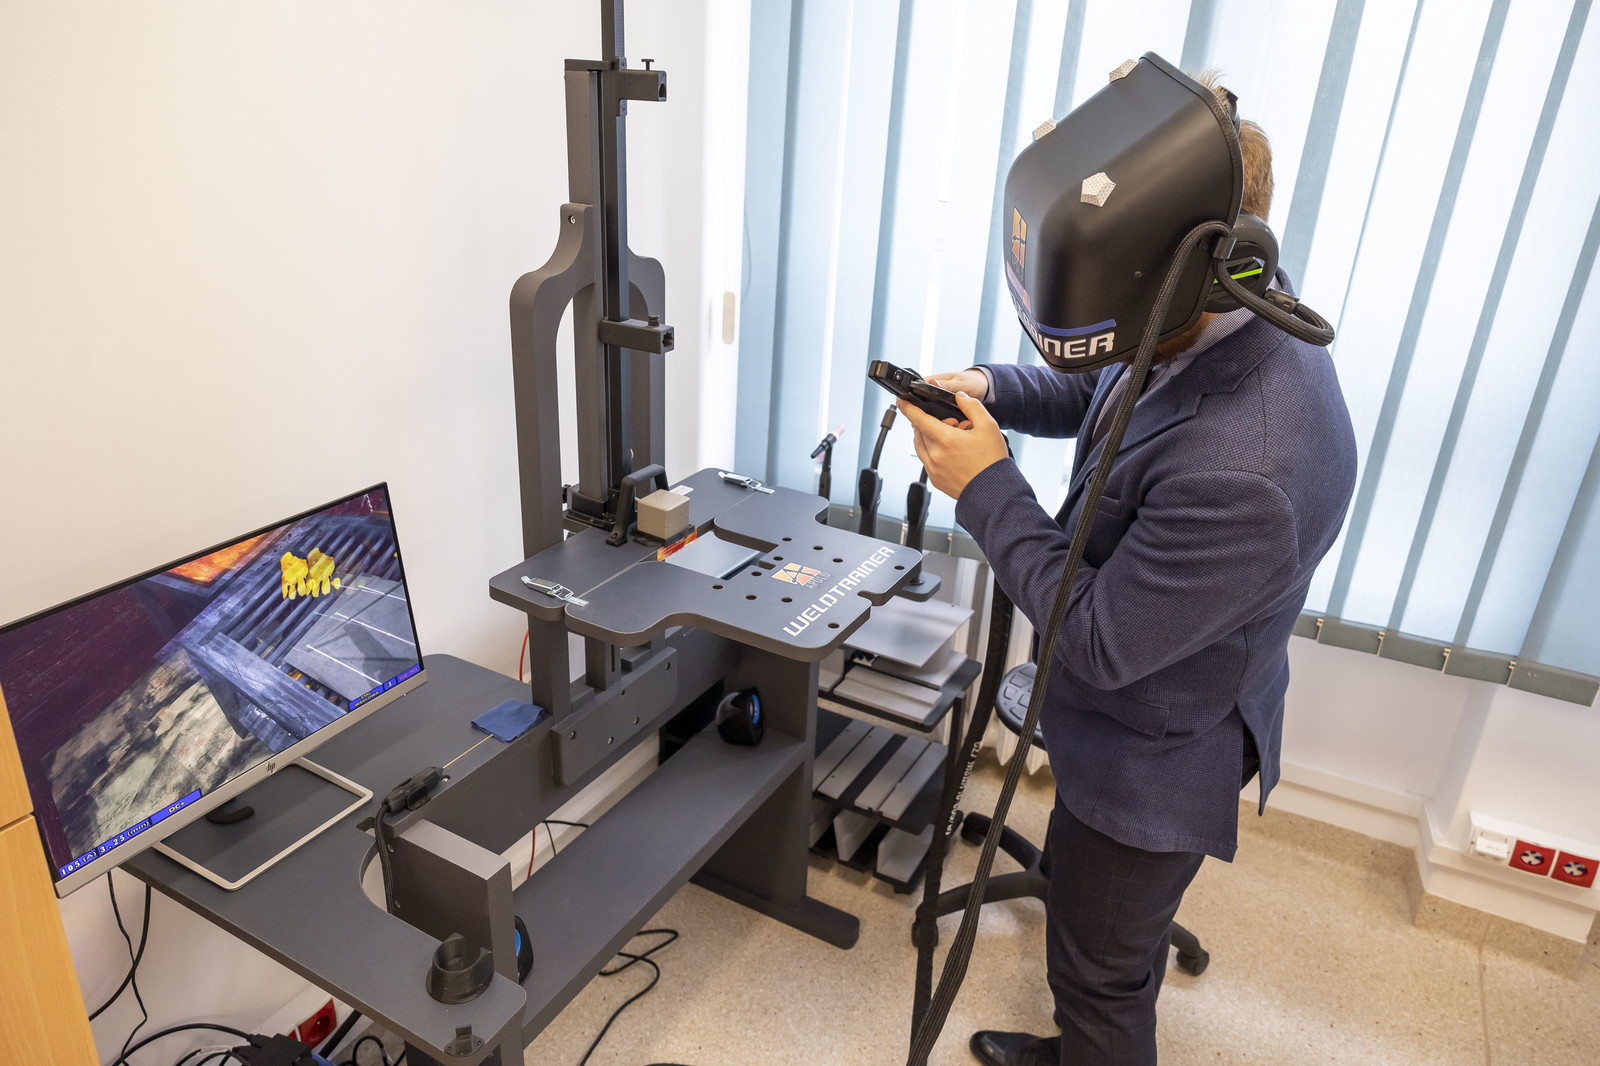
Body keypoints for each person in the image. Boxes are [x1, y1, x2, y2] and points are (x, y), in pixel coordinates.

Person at [897, 77, 1358, 1066]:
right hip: (1123, 703)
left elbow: (1100, 641)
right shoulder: (1198, 301)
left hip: (1153, 749)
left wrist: (984, 485)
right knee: (1096, 922)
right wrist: (991, 389)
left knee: (1099, 979)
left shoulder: (1250, 465)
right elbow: (1106, 386)